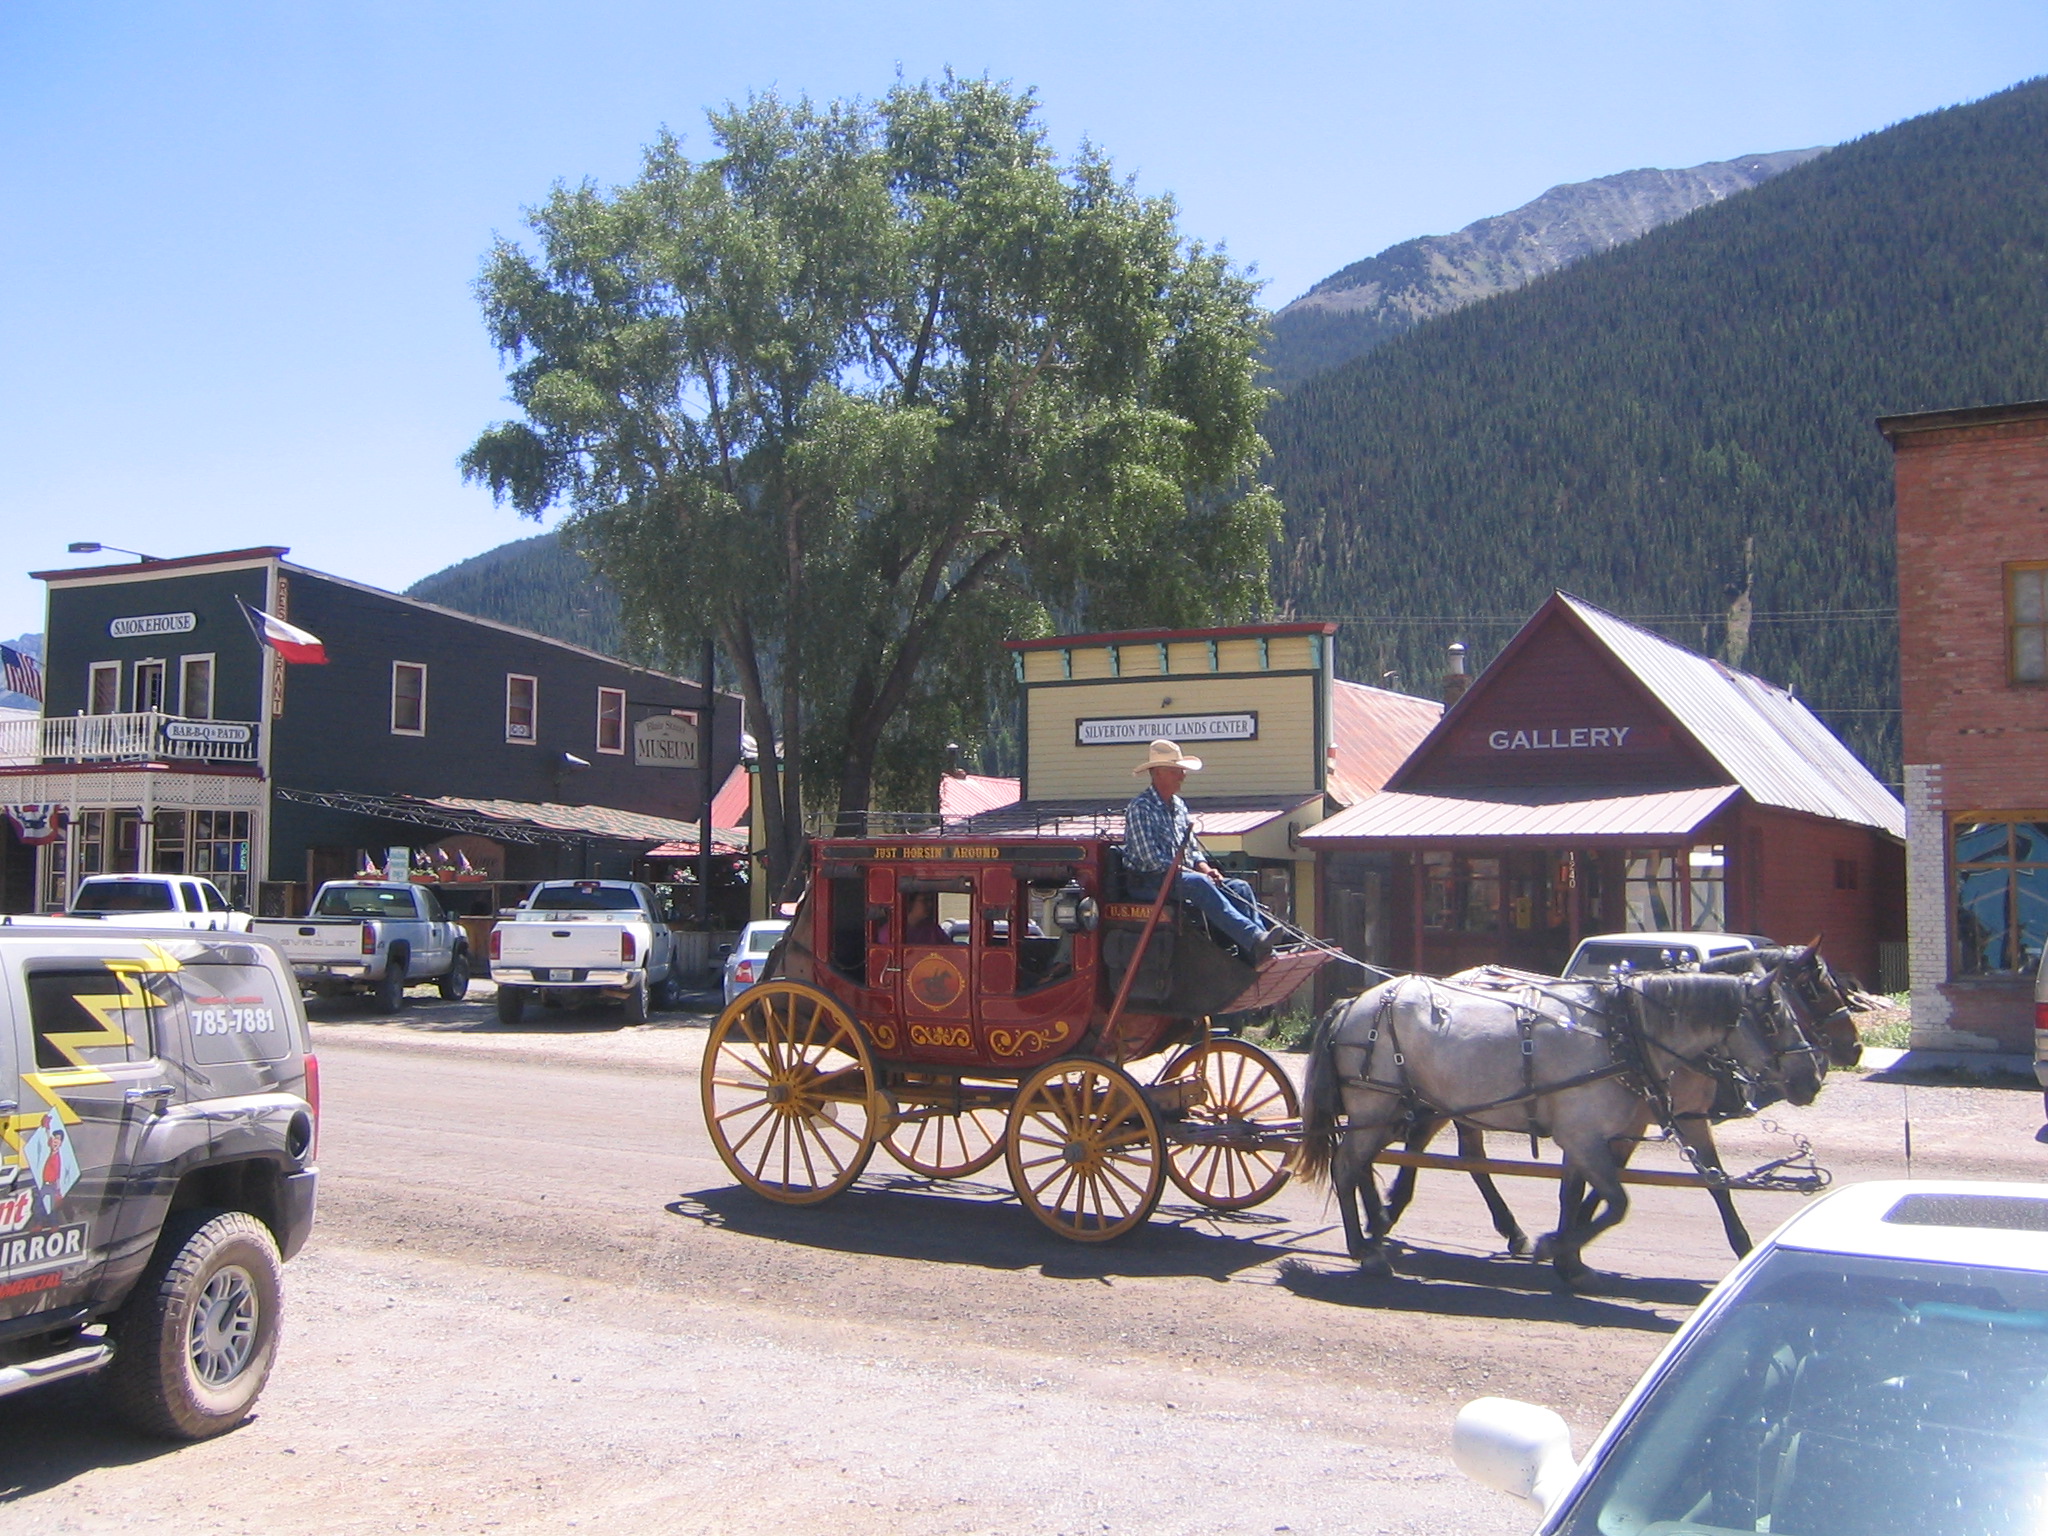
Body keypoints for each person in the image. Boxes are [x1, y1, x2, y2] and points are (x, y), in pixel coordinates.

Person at [1122, 739, 1275, 963]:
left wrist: (1206, 869)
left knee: (1239, 887)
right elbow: (1151, 859)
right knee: (1199, 883)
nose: (1183, 776)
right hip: (1149, 881)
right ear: (1158, 773)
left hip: (1180, 877)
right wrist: (1196, 874)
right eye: (1177, 771)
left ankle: (1259, 948)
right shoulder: (1140, 808)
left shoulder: (1179, 806)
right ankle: (1253, 938)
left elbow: (1192, 849)